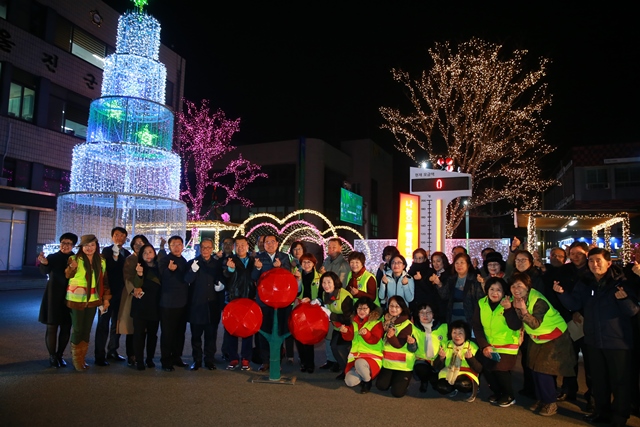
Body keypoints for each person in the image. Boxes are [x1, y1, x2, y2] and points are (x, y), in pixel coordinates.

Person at [554, 248, 639, 427]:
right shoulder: (586, 283)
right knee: (599, 380)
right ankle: (601, 412)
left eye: (598, 260)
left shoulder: (621, 282)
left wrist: (624, 300)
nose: (594, 264)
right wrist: (561, 294)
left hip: (618, 341)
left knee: (620, 382)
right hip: (593, 340)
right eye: (591, 261)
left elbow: (633, 311)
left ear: (608, 263)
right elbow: (575, 304)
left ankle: (620, 416)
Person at [511, 272, 575, 417]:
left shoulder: (538, 300)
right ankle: (542, 399)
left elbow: (534, 324)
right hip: (538, 338)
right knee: (533, 368)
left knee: (543, 370)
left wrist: (523, 310)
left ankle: (550, 402)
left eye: (520, 285)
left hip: (555, 336)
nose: (516, 289)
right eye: (513, 285)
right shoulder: (517, 299)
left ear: (528, 287)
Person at [472, 277, 521, 407]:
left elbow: (515, 325)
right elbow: (477, 326)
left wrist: (508, 309)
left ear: (504, 292)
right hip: (489, 344)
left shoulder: (510, 302)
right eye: (492, 289)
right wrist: (484, 346)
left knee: (500, 369)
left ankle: (509, 395)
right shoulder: (481, 303)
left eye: (499, 290)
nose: (495, 292)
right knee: (487, 369)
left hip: (507, 344)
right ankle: (498, 392)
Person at [64, 234, 111, 371]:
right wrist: (71, 268)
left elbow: (104, 281)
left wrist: (106, 298)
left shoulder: (101, 260)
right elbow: (68, 275)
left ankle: (81, 358)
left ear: (96, 246)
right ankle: (76, 360)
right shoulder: (74, 259)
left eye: (92, 245)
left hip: (93, 300)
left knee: (86, 330)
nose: (89, 248)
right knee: (78, 329)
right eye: (86, 246)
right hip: (76, 300)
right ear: (81, 247)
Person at [252, 234, 292, 371]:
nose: (269, 244)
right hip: (263, 300)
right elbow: (253, 277)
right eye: (266, 242)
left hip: (280, 301)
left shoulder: (284, 257)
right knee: (264, 331)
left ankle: (277, 361)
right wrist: (257, 268)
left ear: (277, 243)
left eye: (272, 242)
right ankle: (265, 361)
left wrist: (280, 267)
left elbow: (289, 276)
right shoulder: (258, 257)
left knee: (278, 331)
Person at [38, 232, 77, 368]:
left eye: (69, 243)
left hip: (70, 296)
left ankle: (60, 354)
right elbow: (45, 271)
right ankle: (52, 356)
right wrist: (44, 264)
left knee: (66, 327)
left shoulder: (75, 259)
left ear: (73, 245)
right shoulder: (53, 257)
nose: (65, 246)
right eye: (63, 243)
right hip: (53, 295)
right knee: (52, 327)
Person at [94, 227, 131, 366]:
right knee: (103, 324)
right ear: (111, 237)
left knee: (116, 324)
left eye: (122, 235)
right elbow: (107, 271)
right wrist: (115, 258)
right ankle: (99, 355)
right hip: (107, 295)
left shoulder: (127, 253)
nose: (119, 238)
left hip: (121, 295)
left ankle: (112, 350)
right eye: (116, 235)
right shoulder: (106, 252)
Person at [184, 238, 223, 371]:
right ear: (200, 249)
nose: (206, 250)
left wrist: (221, 285)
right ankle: (197, 359)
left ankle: (209, 360)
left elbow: (222, 278)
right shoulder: (192, 263)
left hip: (212, 305)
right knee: (196, 336)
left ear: (212, 249)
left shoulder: (217, 264)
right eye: (203, 247)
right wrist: (192, 271)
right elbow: (187, 280)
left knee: (211, 335)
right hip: (196, 305)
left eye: (208, 247)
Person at [223, 236, 256, 371]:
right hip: (234, 299)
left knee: (248, 330)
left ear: (247, 246)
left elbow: (256, 277)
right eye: (238, 245)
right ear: (234, 247)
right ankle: (233, 358)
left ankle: (246, 358)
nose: (240, 247)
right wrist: (230, 270)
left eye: (243, 244)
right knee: (232, 330)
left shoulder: (254, 260)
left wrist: (258, 269)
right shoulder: (230, 260)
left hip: (249, 299)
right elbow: (225, 276)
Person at [339, 297, 383, 393]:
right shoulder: (354, 322)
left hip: (372, 357)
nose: (361, 311)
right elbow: (349, 337)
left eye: (365, 308)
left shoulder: (377, 323)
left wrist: (366, 333)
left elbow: (374, 340)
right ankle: (362, 374)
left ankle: (367, 382)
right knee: (349, 382)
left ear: (370, 310)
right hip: (355, 357)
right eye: (359, 308)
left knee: (359, 363)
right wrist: (345, 331)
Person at [158, 235, 189, 371]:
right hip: (168, 303)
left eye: (179, 244)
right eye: (173, 244)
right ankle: (166, 360)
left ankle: (177, 356)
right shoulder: (164, 260)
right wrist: (169, 271)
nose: (177, 247)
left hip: (182, 303)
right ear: (169, 247)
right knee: (167, 333)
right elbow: (161, 277)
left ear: (183, 246)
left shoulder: (184, 261)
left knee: (179, 333)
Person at [318, 237, 350, 371]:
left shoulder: (344, 265)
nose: (330, 250)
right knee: (328, 332)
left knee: (337, 332)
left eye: (334, 247)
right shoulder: (326, 260)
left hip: (338, 299)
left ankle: (339, 361)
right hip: (327, 298)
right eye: (329, 247)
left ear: (340, 248)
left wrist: (325, 276)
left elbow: (340, 283)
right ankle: (330, 360)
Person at [375, 296, 416, 398]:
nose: (393, 309)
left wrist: (391, 337)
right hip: (388, 363)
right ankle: (392, 379)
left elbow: (399, 345)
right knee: (380, 386)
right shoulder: (385, 321)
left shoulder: (407, 324)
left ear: (402, 308)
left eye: (397, 307)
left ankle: (404, 381)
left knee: (397, 393)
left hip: (403, 366)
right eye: (391, 306)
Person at [118, 234, 149, 367]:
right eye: (136, 243)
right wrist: (134, 289)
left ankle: (141, 355)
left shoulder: (148, 258)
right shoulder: (130, 259)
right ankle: (131, 354)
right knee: (132, 327)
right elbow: (127, 277)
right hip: (133, 295)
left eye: (141, 243)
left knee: (144, 328)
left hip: (147, 296)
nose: (138, 245)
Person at [434, 320, 482, 402]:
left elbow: (479, 369)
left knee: (462, 384)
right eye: (454, 333)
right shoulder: (445, 345)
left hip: (466, 373)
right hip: (448, 371)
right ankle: (453, 388)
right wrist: (441, 358)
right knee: (441, 387)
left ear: (466, 334)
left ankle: (466, 388)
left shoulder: (473, 346)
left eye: (460, 333)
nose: (457, 336)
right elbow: (436, 366)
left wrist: (471, 359)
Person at [131, 244, 161, 370]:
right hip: (140, 306)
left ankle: (150, 358)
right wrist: (139, 274)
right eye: (145, 253)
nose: (148, 255)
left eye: (150, 252)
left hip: (155, 306)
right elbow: (136, 285)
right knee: (139, 334)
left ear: (154, 253)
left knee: (152, 335)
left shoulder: (160, 268)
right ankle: (139, 360)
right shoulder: (138, 267)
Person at [319, 271, 353, 379]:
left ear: (335, 282)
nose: (326, 285)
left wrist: (331, 315)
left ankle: (349, 371)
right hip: (337, 326)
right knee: (333, 347)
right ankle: (345, 370)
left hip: (349, 327)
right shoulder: (326, 294)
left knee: (340, 348)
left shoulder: (344, 296)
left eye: (329, 282)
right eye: (324, 282)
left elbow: (348, 318)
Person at [433, 253, 484, 325]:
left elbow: (480, 298)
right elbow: (445, 296)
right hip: (453, 317)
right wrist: (439, 284)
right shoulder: (451, 279)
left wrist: (482, 284)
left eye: (462, 262)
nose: (459, 265)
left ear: (468, 265)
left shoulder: (474, 280)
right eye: (456, 263)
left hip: (469, 317)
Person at [294, 253, 321, 373]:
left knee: (309, 337)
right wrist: (298, 280)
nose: (306, 265)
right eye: (304, 262)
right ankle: (303, 362)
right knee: (298, 336)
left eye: (309, 262)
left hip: (312, 310)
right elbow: (295, 291)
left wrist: (312, 301)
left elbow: (321, 295)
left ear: (314, 264)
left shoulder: (319, 277)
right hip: (299, 309)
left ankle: (310, 364)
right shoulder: (296, 275)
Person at [412, 303, 447, 393]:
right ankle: (424, 381)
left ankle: (432, 377)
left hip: (438, 360)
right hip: (421, 360)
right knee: (421, 370)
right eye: (422, 313)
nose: (425, 315)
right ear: (418, 314)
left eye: (428, 312)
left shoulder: (443, 327)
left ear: (433, 314)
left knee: (438, 386)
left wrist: (443, 354)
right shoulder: (413, 328)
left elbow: (447, 343)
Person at [408, 248, 438, 314]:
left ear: (424, 259)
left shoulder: (430, 271)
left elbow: (431, 291)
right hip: (413, 305)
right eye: (415, 258)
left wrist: (420, 280)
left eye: (420, 258)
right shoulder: (410, 272)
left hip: (426, 306)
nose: (417, 261)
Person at [429, 251, 450, 323]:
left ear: (443, 261)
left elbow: (445, 295)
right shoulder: (432, 273)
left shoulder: (449, 274)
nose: (436, 264)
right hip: (434, 310)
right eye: (433, 261)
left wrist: (439, 284)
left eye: (438, 261)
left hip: (444, 311)